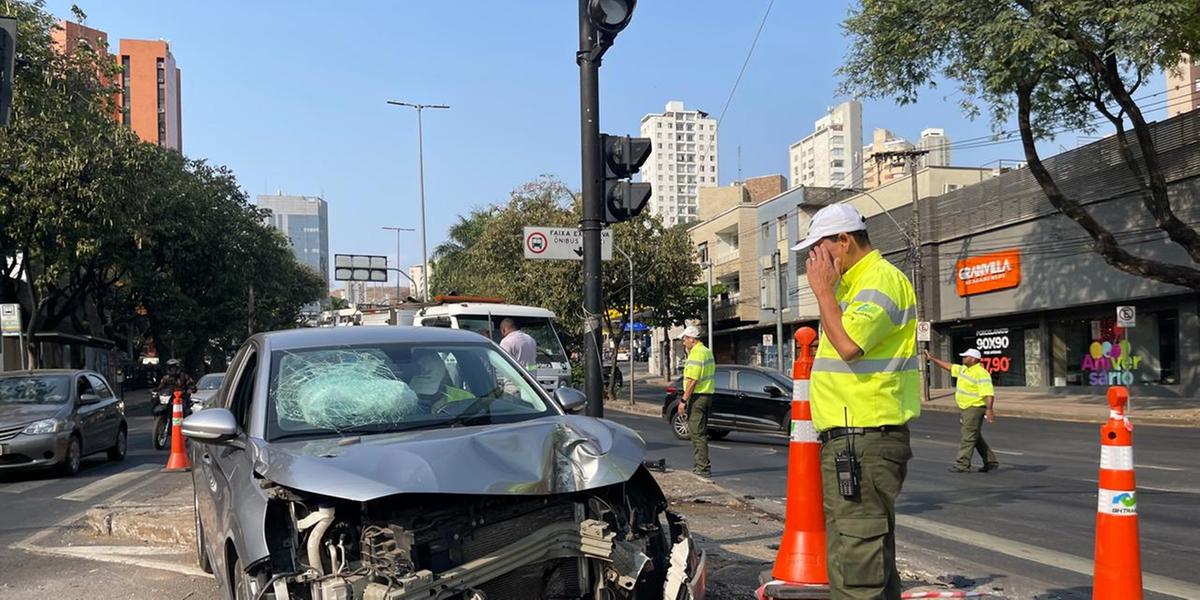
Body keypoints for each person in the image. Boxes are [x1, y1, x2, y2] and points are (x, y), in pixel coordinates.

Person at [796, 203, 919, 600]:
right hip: (851, 440)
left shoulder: (880, 282)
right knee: (861, 558)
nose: (815, 262)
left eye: (820, 249)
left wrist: (821, 291)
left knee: (858, 567)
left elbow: (849, 346)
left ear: (844, 240)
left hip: (864, 438)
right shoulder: (852, 285)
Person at [926, 348, 999, 473]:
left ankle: (962, 464)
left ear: (974, 359)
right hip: (966, 408)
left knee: (968, 436)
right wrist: (932, 359)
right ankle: (990, 461)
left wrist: (989, 409)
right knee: (974, 435)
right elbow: (949, 367)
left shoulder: (981, 373)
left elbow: (988, 393)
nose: (963, 358)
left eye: (966, 356)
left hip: (974, 407)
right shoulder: (964, 370)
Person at [674, 325, 715, 478]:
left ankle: (702, 467)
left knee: (697, 433)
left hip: (698, 397)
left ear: (692, 339)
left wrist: (683, 400)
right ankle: (701, 465)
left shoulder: (696, 354)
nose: (684, 342)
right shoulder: (706, 351)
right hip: (707, 395)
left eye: (685, 339)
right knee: (701, 432)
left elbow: (692, 381)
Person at [410, 352, 476, 413]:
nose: (427, 396)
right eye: (421, 394)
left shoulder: (466, 399)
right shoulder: (402, 400)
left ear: (443, 377)